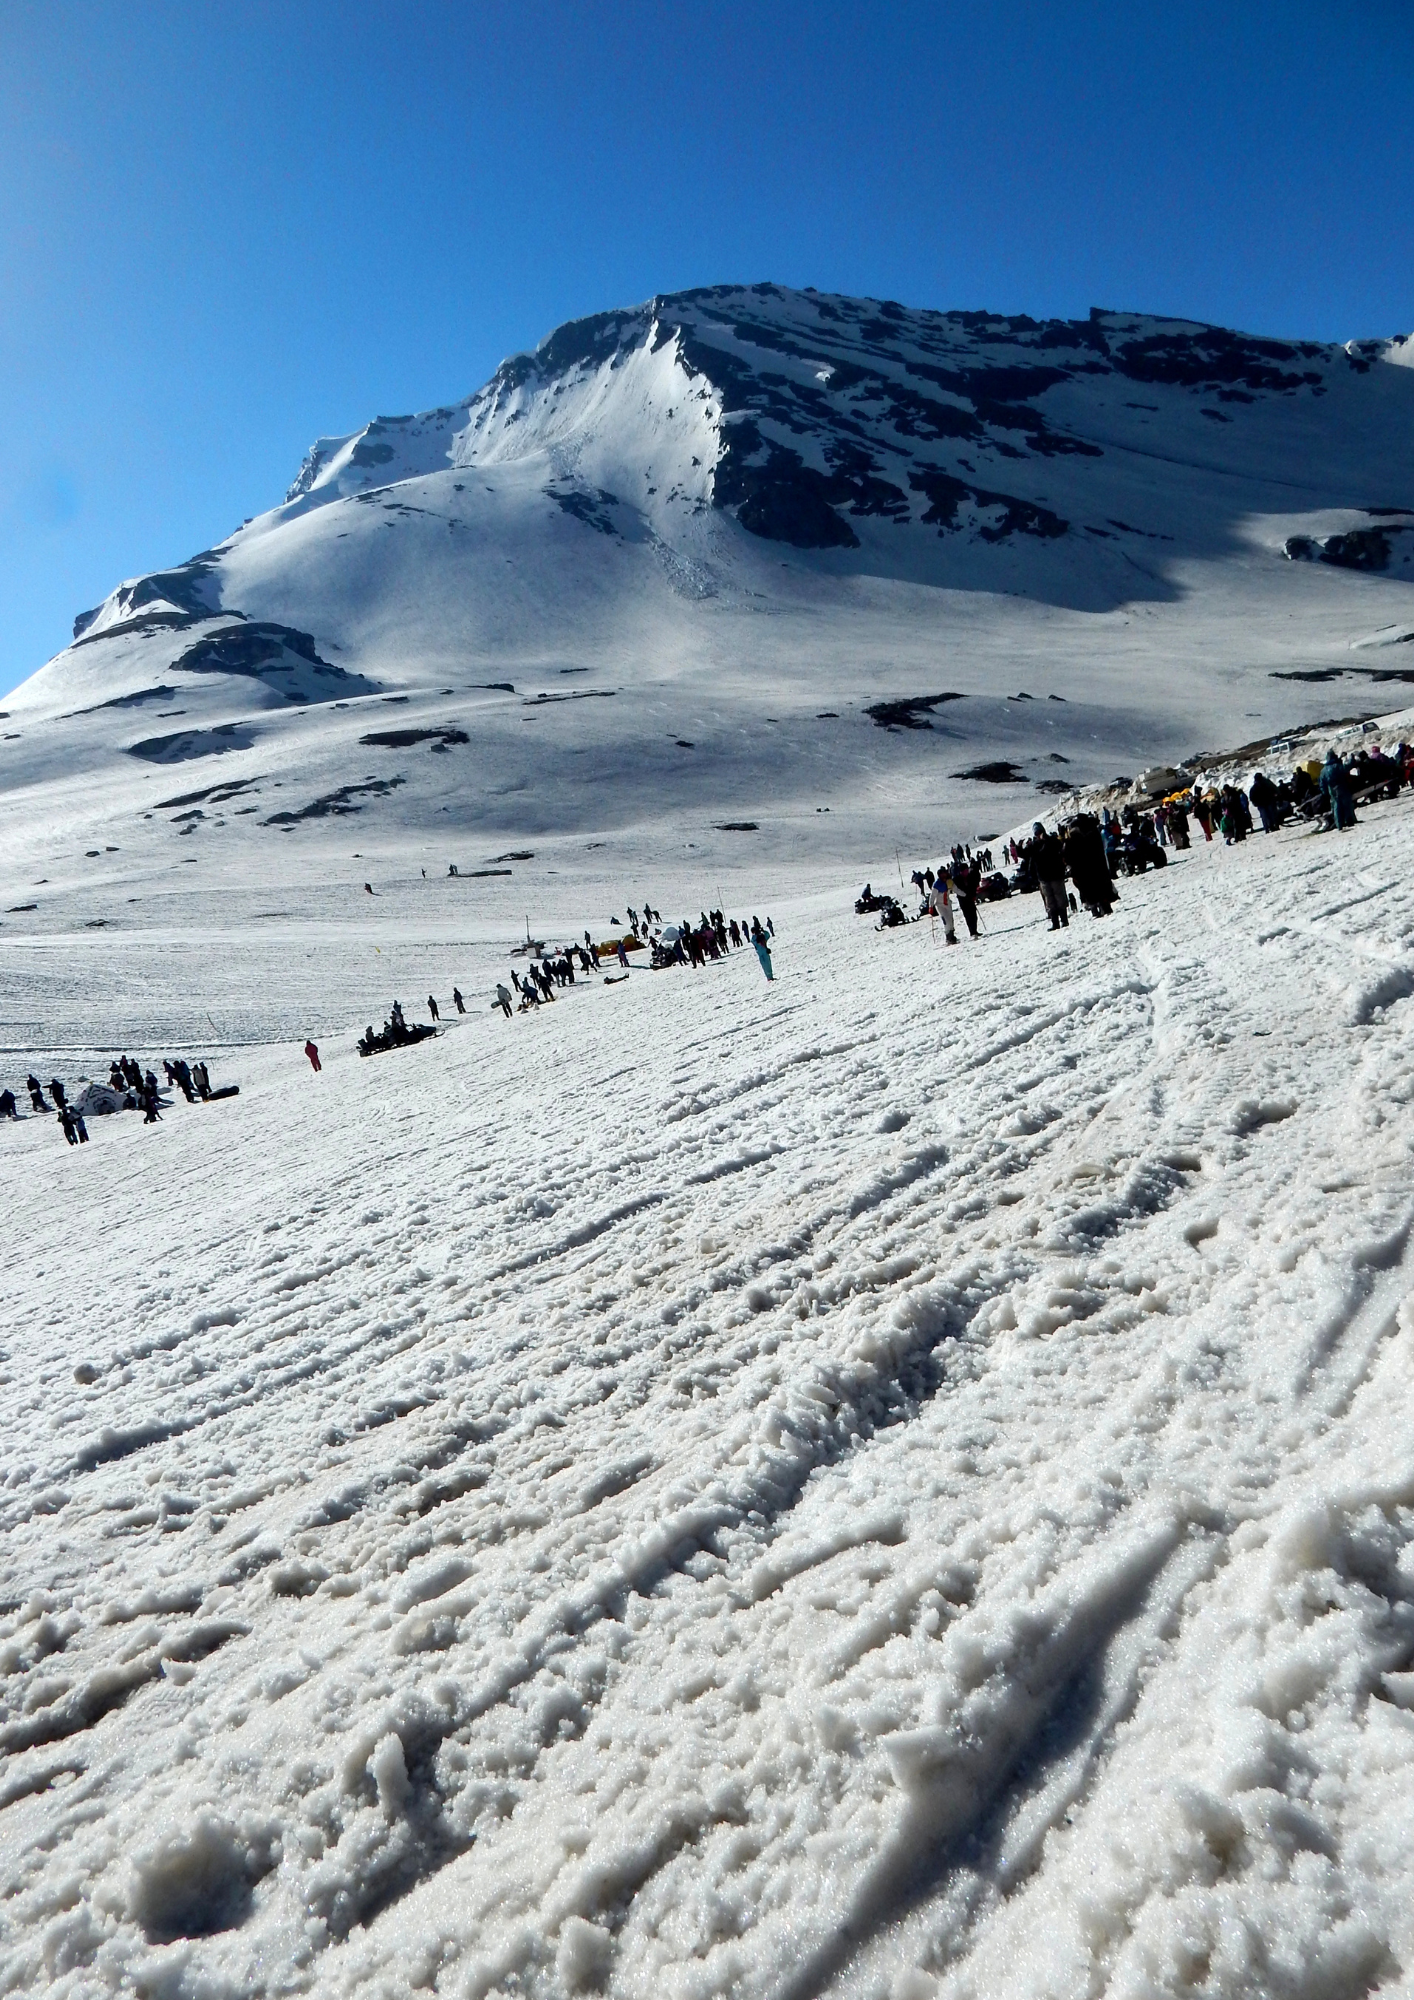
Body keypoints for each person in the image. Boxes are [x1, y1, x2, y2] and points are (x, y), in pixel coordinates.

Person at [1031, 822, 1069, 930]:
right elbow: (1029, 856)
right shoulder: (1035, 845)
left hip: (1055, 874)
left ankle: (1064, 920)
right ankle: (1055, 923)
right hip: (1044, 877)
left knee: (1059, 897)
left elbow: (1059, 846)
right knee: (1050, 901)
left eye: (1039, 832)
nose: (1038, 835)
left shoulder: (1052, 840)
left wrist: (1046, 840)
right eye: (1036, 834)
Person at [1320, 750, 1357, 830]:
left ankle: (1339, 824)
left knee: (1336, 807)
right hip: (1342, 787)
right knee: (1346, 805)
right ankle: (1349, 822)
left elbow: (1322, 783)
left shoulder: (1324, 770)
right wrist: (1352, 759)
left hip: (1332, 790)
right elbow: (1347, 767)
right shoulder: (1337, 766)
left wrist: (1325, 793)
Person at [929, 870, 957, 944]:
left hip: (948, 904)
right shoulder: (937, 884)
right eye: (942, 874)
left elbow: (956, 889)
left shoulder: (949, 882)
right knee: (946, 920)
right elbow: (932, 896)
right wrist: (931, 906)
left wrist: (966, 895)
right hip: (940, 905)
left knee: (950, 919)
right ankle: (948, 937)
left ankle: (952, 935)